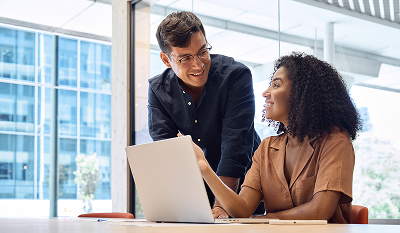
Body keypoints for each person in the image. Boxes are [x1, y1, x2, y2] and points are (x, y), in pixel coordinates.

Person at [193, 52, 362, 223]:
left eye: (276, 85)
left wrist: (265, 219)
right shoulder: (266, 148)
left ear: (300, 93)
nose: (266, 93)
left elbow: (320, 211)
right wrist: (204, 168)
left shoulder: (335, 140)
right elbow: (242, 209)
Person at [148, 11, 262, 218]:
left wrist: (222, 206)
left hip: (245, 189)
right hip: (198, 190)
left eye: (202, 51)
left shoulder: (236, 76)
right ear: (166, 59)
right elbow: (167, 149)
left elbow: (235, 146)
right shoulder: (159, 90)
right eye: (185, 58)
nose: (199, 65)